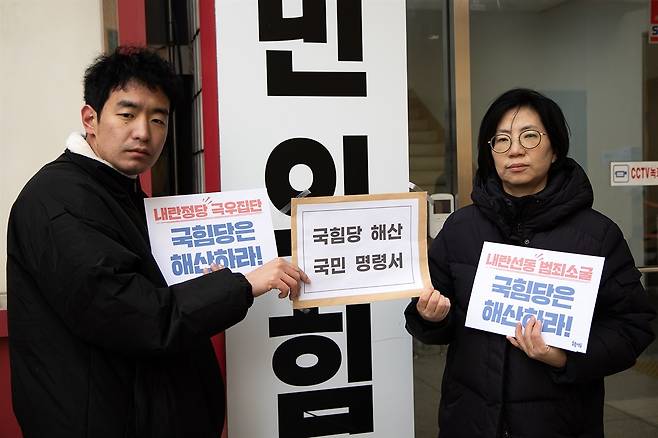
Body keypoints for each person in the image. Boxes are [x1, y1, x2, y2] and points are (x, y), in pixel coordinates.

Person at [7, 46, 309, 438]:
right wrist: (241, 285)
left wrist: (207, 280)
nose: (143, 133)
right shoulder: (59, 201)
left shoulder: (119, 192)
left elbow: (146, 293)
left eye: (158, 119)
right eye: (127, 114)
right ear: (90, 118)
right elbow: (130, 314)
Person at [405, 88, 656, 438]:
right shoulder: (461, 228)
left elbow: (633, 327)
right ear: (489, 152)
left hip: (561, 423)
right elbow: (428, 314)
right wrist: (431, 317)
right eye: (501, 140)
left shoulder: (597, 235)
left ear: (555, 149)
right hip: (470, 419)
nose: (515, 150)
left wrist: (564, 358)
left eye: (530, 136)